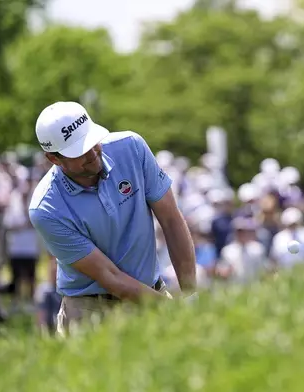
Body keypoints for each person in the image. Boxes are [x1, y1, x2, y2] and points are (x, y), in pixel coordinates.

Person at [28, 101, 197, 337]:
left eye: (91, 142)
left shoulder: (131, 148)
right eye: (79, 152)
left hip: (152, 291)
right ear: (54, 159)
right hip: (89, 312)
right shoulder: (47, 208)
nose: (92, 154)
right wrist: (170, 311)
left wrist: (191, 295)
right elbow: (110, 276)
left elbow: (171, 219)